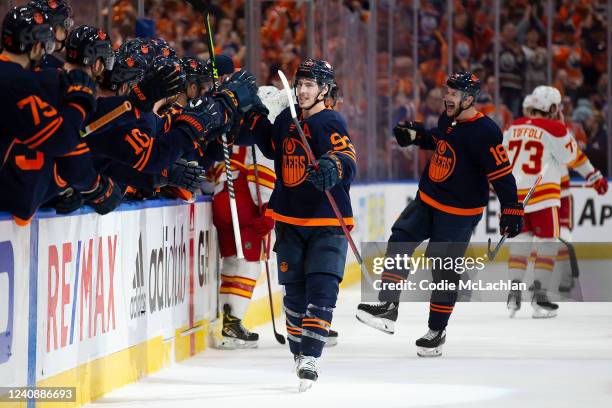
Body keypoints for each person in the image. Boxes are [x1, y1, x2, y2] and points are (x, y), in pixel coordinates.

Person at [356, 72, 522, 357]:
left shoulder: (486, 132)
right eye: (447, 91)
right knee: (401, 238)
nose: (447, 97)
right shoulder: (450, 119)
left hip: (458, 213)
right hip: (427, 199)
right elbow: (441, 139)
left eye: (454, 94)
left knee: (443, 269)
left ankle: (436, 330)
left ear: (468, 99)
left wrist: (511, 208)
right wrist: (417, 135)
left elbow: (502, 174)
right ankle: (388, 307)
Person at [242, 59, 356, 391]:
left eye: (311, 85)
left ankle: (311, 356)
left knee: (322, 293)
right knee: (294, 297)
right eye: (300, 84)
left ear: (325, 89)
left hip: (328, 222)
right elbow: (262, 140)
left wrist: (332, 166)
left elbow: (347, 156)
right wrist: (248, 108)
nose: (303, 90)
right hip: (289, 221)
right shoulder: (286, 122)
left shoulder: (330, 120)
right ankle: (299, 353)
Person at [503, 86, 578, 318]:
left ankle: (514, 292)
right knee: (547, 244)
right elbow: (570, 156)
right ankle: (539, 298)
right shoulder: (554, 127)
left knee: (521, 243)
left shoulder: (513, 127)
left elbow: (502, 159)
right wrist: (563, 129)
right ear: (553, 108)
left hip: (514, 197)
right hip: (543, 196)